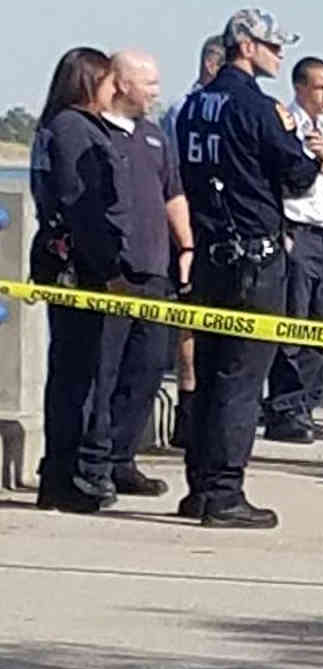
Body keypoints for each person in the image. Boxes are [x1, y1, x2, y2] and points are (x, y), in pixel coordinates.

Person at [175, 8, 322, 528]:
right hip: (254, 261)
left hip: (210, 255)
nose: (279, 55)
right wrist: (314, 154)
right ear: (245, 46)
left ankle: (198, 485)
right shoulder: (258, 108)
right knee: (241, 378)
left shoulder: (193, 106)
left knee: (210, 375)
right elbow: (299, 174)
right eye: (272, 46)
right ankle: (225, 492)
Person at [75, 50, 194, 501]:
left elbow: (174, 193)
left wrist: (186, 246)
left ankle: (124, 458)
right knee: (103, 374)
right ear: (121, 83)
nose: (156, 91)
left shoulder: (155, 137)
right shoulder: (95, 133)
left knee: (146, 370)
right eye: (149, 83)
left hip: (156, 273)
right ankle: (94, 463)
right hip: (112, 277)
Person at [29, 47, 121, 513]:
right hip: (78, 268)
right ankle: (62, 477)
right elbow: (80, 204)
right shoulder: (73, 130)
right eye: (108, 81)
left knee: (71, 372)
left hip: (62, 261)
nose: (114, 90)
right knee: (75, 377)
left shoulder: (53, 127)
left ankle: (60, 473)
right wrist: (107, 264)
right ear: (88, 83)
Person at [263, 56, 323, 443]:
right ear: (301, 87)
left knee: (318, 326)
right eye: (319, 87)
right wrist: (310, 158)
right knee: (293, 325)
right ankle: (284, 409)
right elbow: (286, 181)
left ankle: (305, 405)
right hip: (296, 232)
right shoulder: (285, 123)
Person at [162, 33, 224, 450]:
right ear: (211, 66)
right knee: (189, 321)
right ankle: (189, 407)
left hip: (223, 227)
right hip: (190, 224)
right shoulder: (180, 110)